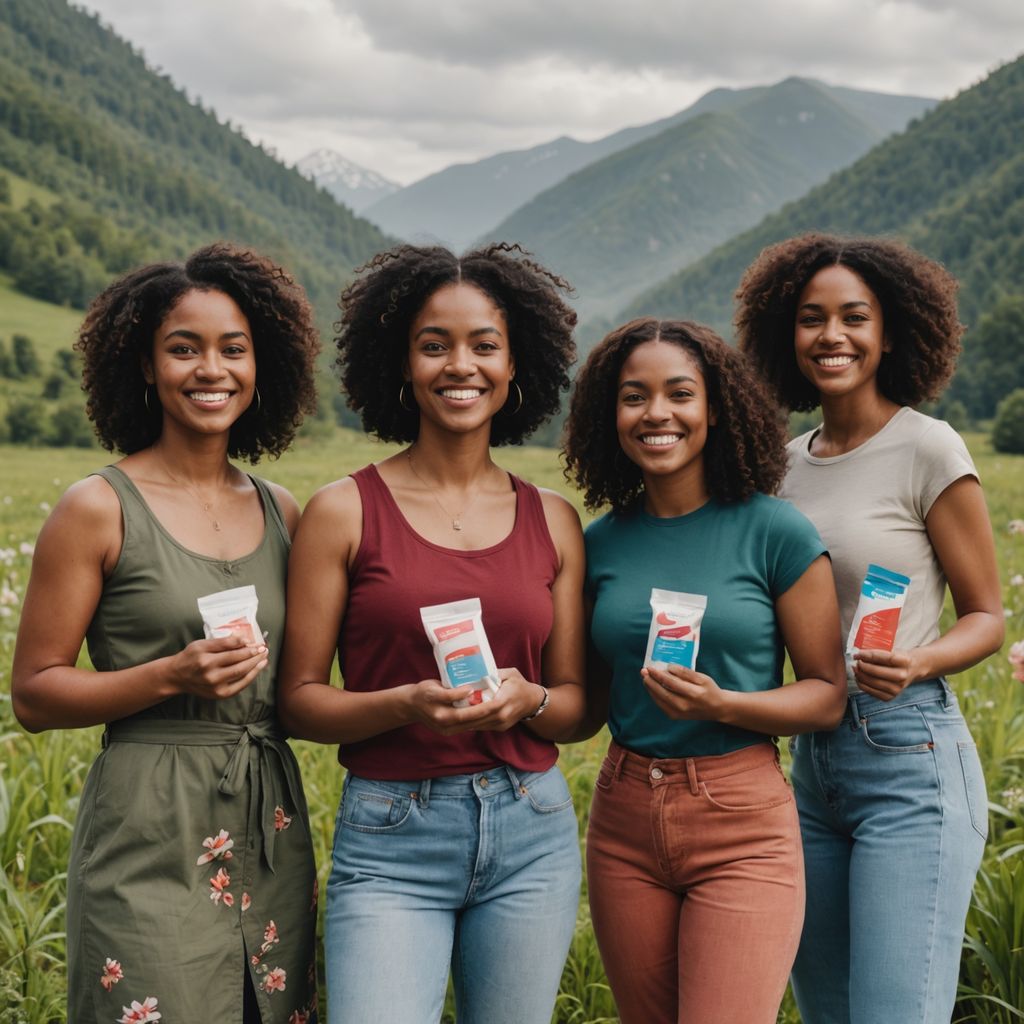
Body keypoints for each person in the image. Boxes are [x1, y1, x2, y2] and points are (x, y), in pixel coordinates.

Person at [11, 244, 321, 1023]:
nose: (209, 369)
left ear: (262, 368)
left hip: (269, 826)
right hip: (147, 829)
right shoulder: (98, 507)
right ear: (145, 367)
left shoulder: (283, 511)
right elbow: (35, 693)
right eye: (183, 349)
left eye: (233, 349)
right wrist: (170, 676)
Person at [277, 243, 585, 1024]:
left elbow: (578, 708)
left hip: (532, 830)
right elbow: (300, 704)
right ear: (403, 363)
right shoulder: (343, 511)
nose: (462, 364)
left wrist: (530, 698)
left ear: (516, 367)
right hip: (391, 836)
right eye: (434, 344)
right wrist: (405, 704)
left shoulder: (553, 520)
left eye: (485, 344)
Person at [735, 233, 1005, 1023]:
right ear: (787, 335)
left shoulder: (927, 447)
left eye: (855, 317)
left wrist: (920, 661)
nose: (833, 336)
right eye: (812, 318)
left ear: (891, 333)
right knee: (827, 1011)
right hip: (811, 766)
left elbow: (986, 616)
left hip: (909, 755)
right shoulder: (779, 467)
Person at [562, 317, 846, 1024]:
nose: (657, 413)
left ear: (714, 408)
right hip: (624, 816)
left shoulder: (776, 531)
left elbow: (826, 695)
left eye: (679, 394)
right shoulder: (598, 543)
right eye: (634, 396)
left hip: (741, 818)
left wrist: (725, 705)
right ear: (612, 415)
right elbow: (584, 709)